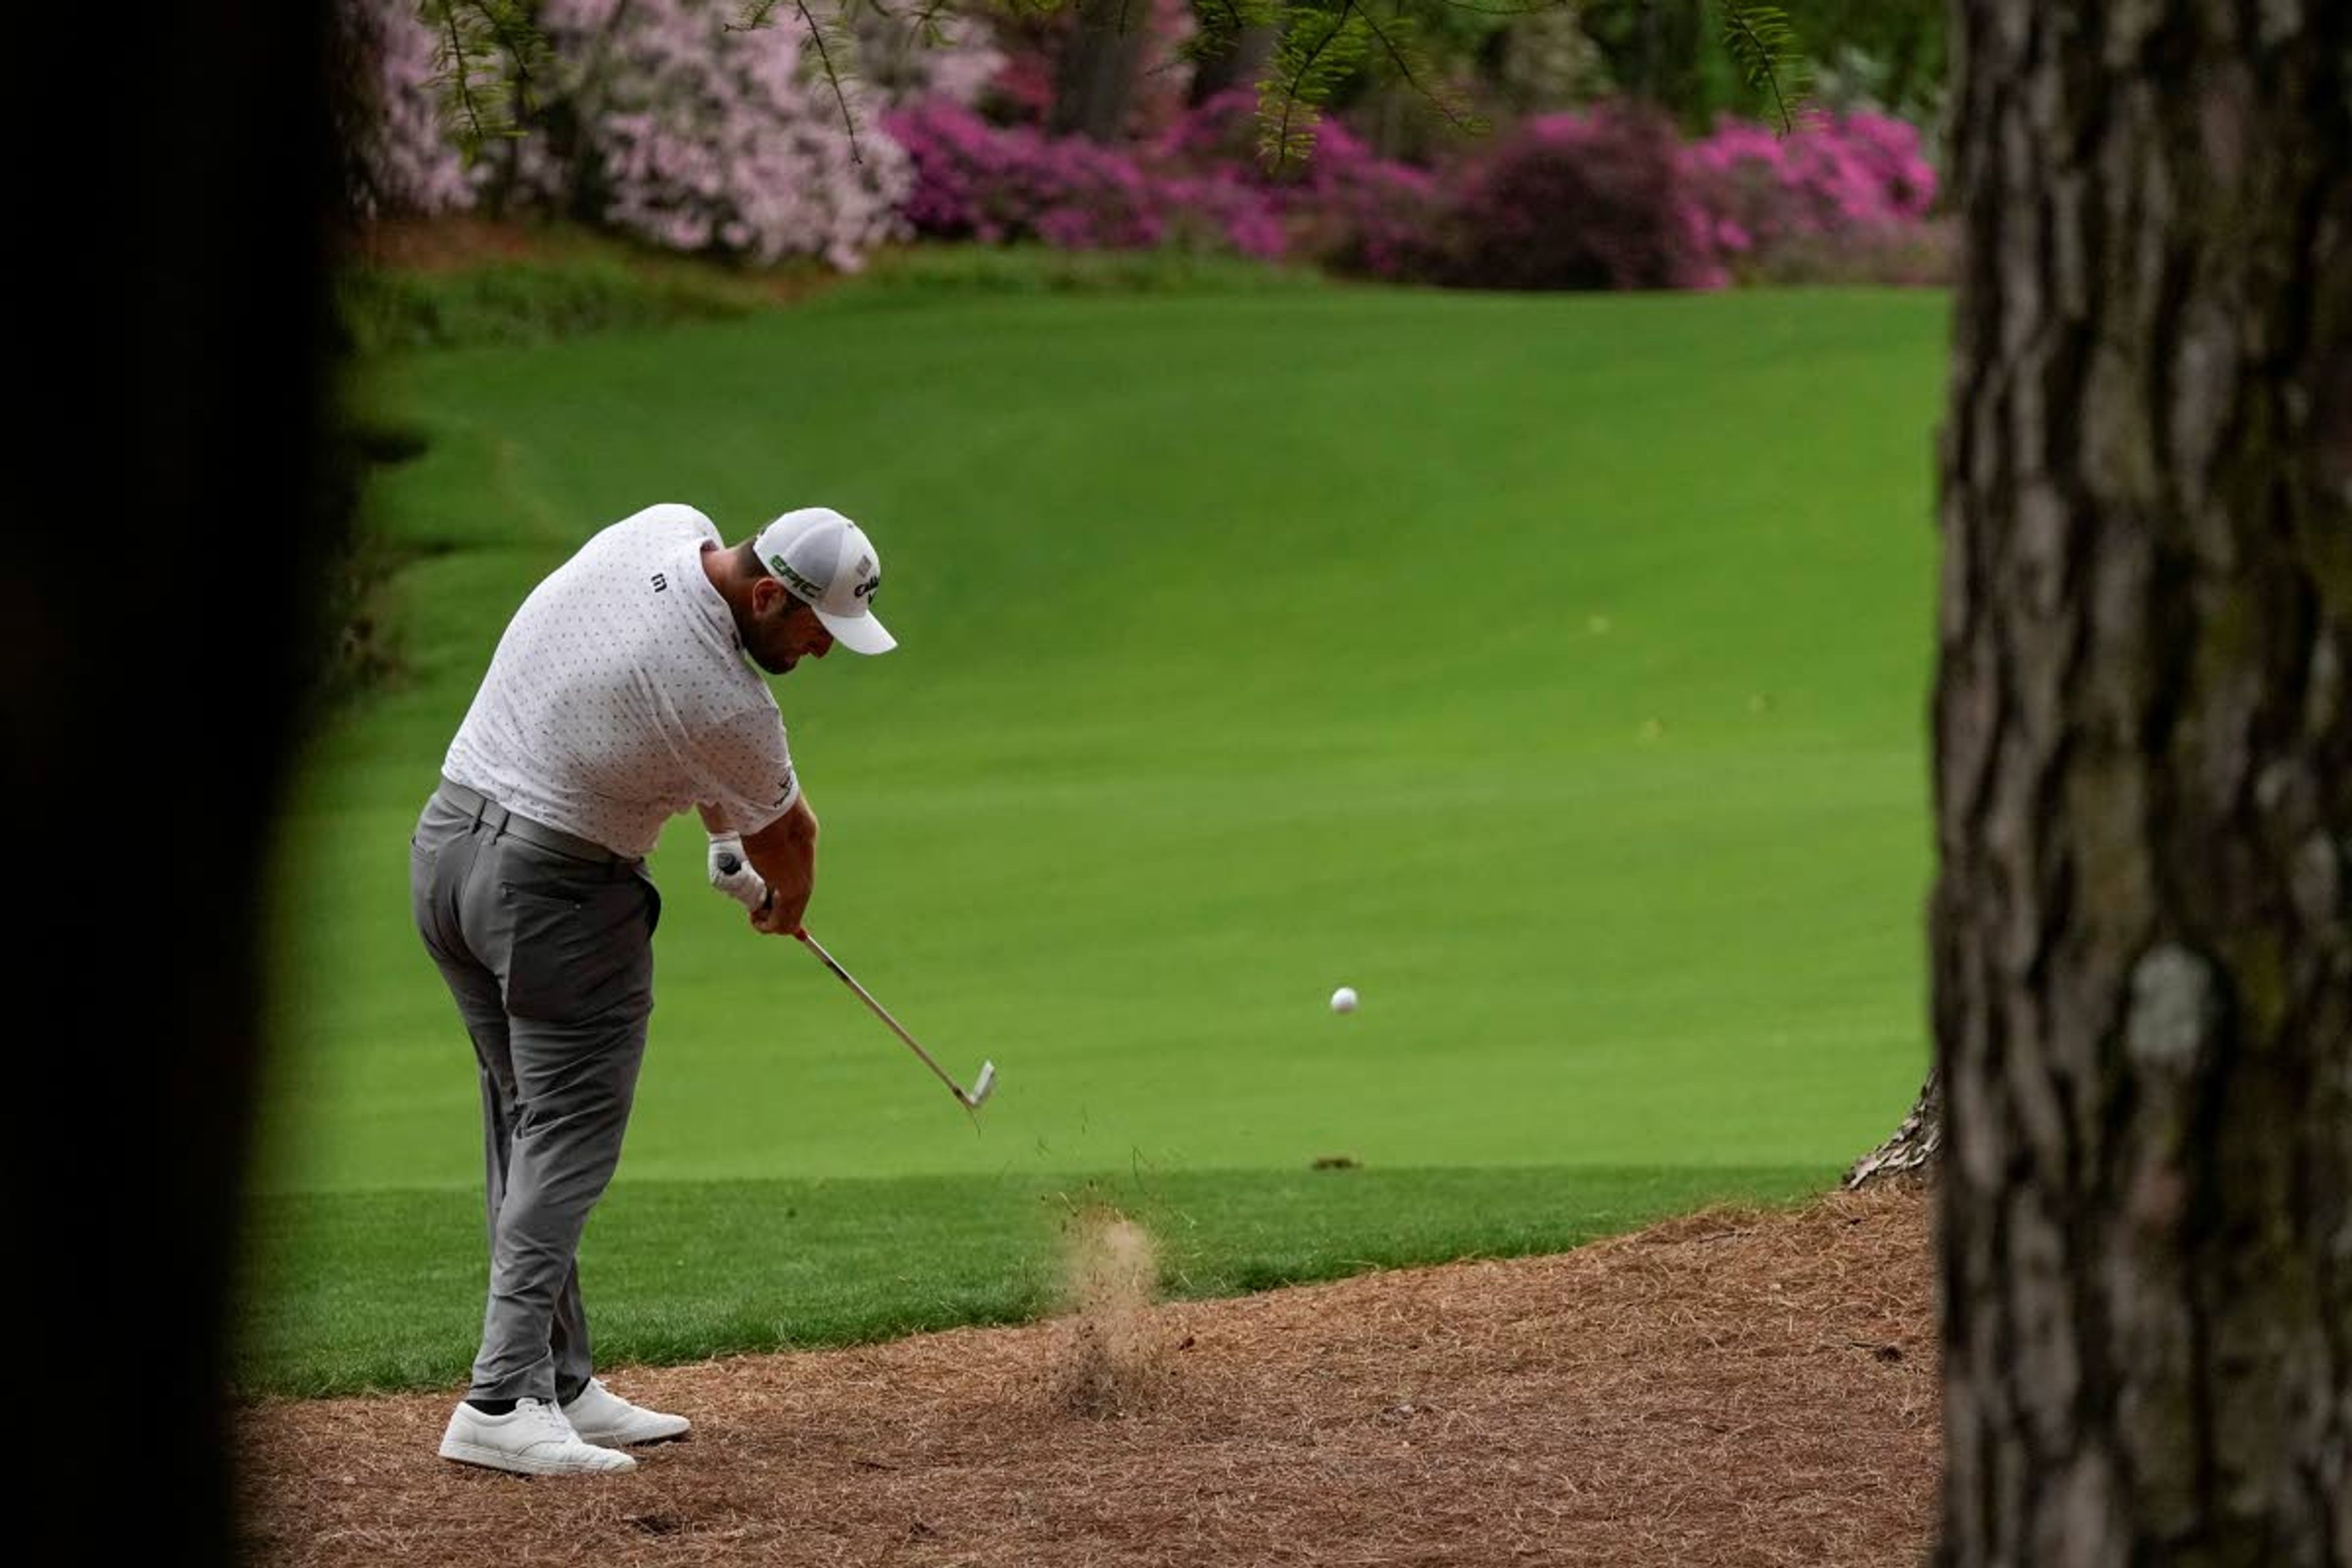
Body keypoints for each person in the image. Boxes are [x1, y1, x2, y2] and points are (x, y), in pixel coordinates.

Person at [409, 501, 894, 1476]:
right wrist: (782, 904)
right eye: (813, 630)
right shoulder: (734, 707)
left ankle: (561, 1383)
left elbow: (665, 722)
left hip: (448, 851)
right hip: (553, 895)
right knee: (570, 1132)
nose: (821, 651)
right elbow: (793, 841)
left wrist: (721, 837)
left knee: (526, 1124)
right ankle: (501, 1398)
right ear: (767, 596)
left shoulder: (664, 527)